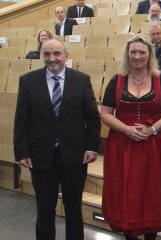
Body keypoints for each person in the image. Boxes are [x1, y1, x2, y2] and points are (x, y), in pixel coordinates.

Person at [13, 39, 101, 240]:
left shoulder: (81, 80)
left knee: (74, 209)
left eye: (57, 54)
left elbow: (93, 119)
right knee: (44, 210)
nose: (52, 58)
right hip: (41, 156)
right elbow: (21, 120)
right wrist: (22, 151)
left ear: (66, 56)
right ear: (42, 56)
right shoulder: (27, 81)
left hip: (75, 157)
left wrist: (92, 148)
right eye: (47, 54)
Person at [100, 34, 161, 240]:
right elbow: (105, 113)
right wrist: (127, 130)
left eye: (142, 52)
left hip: (154, 146)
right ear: (127, 55)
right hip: (122, 145)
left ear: (149, 55)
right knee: (126, 194)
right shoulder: (116, 80)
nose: (137, 56)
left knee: (152, 196)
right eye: (133, 52)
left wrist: (152, 129)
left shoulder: (160, 79)